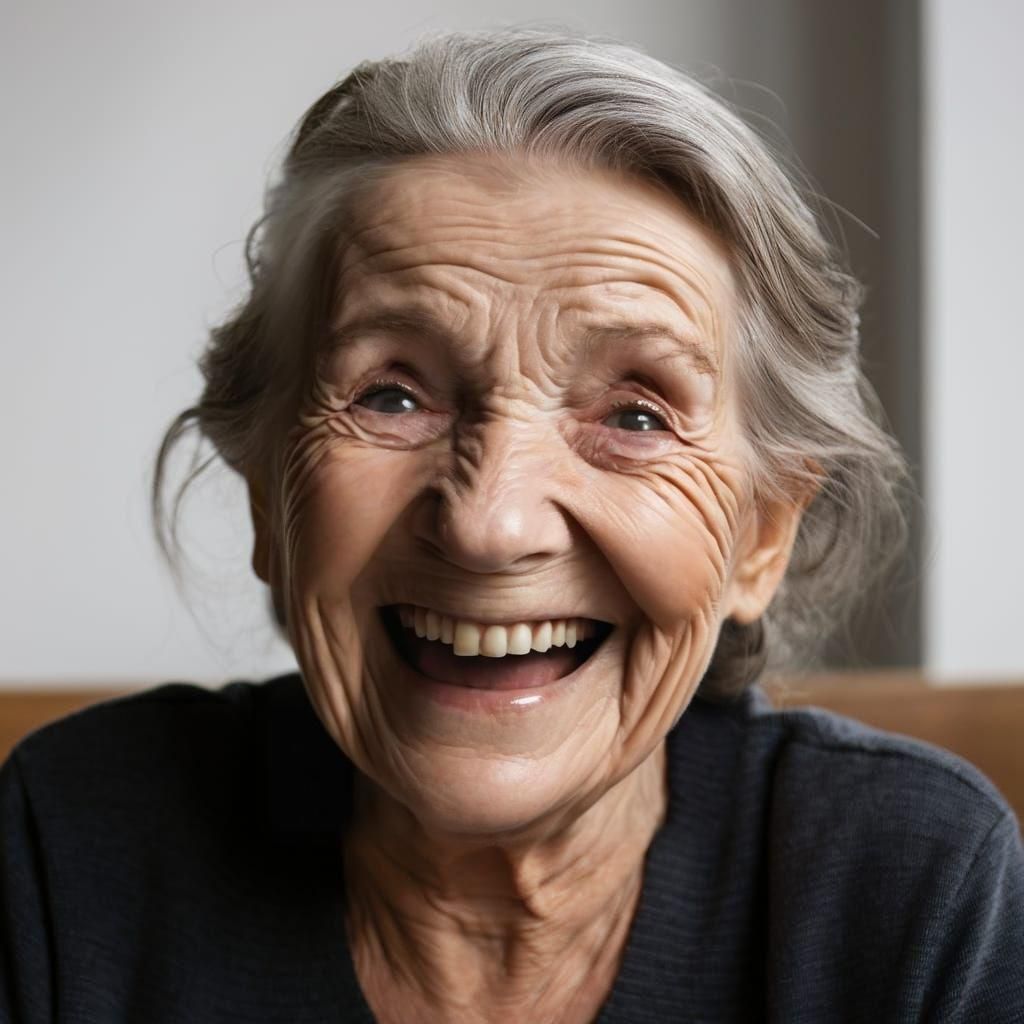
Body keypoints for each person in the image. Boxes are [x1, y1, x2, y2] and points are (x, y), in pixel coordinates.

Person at [2, 26, 1022, 1023]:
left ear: (762, 535)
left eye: (635, 415)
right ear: (268, 487)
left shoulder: (906, 891)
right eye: (392, 395)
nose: (491, 523)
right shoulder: (74, 846)